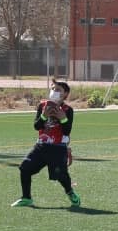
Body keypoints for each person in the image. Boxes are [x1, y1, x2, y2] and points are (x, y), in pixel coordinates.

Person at [11, 80, 80, 208]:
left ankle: (70, 192)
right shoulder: (42, 106)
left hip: (58, 148)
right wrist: (43, 116)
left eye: (58, 90)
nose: (54, 91)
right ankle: (26, 198)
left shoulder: (67, 110)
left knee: (61, 176)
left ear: (65, 94)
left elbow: (67, 131)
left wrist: (62, 118)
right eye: (53, 89)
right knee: (24, 168)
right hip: (41, 147)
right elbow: (37, 126)